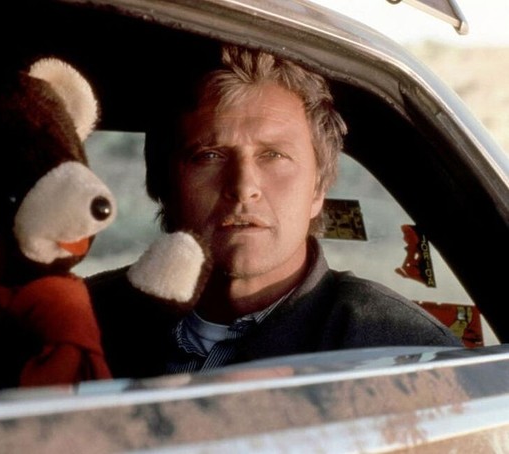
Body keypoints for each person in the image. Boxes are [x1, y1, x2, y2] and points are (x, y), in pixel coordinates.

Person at [87, 44, 462, 379]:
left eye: (274, 155)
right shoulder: (85, 318)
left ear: (318, 189)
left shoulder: (402, 350)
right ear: (163, 186)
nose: (243, 186)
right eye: (210, 156)